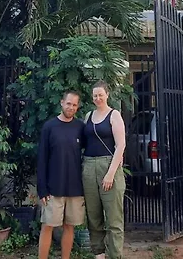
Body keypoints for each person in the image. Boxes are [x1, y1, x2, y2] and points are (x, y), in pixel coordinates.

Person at [37, 91, 86, 259]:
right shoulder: (49, 127)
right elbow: (42, 159)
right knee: (47, 226)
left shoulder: (80, 127)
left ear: (77, 107)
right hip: (53, 188)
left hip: (75, 188)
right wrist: (42, 188)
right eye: (68, 103)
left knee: (69, 227)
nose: (71, 107)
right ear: (62, 103)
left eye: (74, 105)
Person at [82, 80, 127, 259]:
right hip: (88, 166)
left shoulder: (114, 115)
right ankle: (98, 254)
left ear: (107, 94)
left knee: (114, 218)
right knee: (93, 217)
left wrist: (110, 173)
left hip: (108, 166)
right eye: (95, 95)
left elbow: (121, 145)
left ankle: (115, 255)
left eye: (101, 94)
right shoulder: (88, 116)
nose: (98, 98)